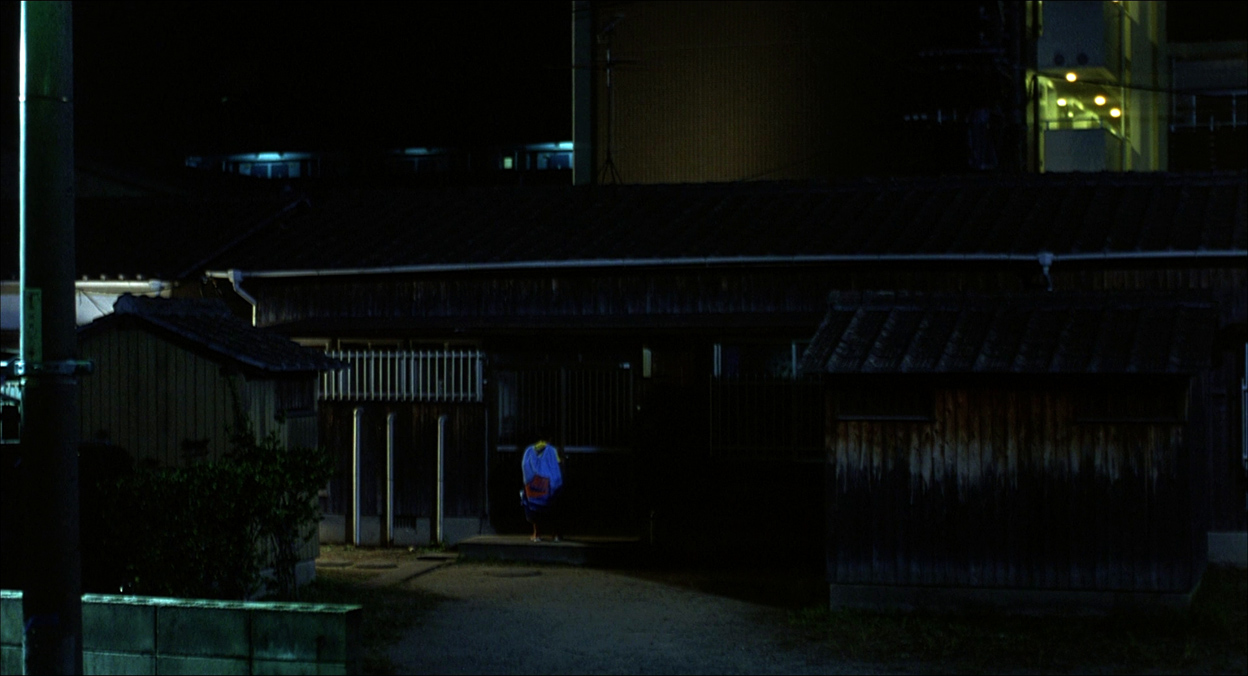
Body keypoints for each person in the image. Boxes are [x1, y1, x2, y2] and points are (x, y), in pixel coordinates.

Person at [521, 432, 563, 542]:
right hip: (550, 484)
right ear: (550, 438)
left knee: (534, 508)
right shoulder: (552, 450)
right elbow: (557, 465)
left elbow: (526, 466)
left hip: (534, 484)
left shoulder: (530, 450)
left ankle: (537, 534)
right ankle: (555, 534)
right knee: (554, 508)